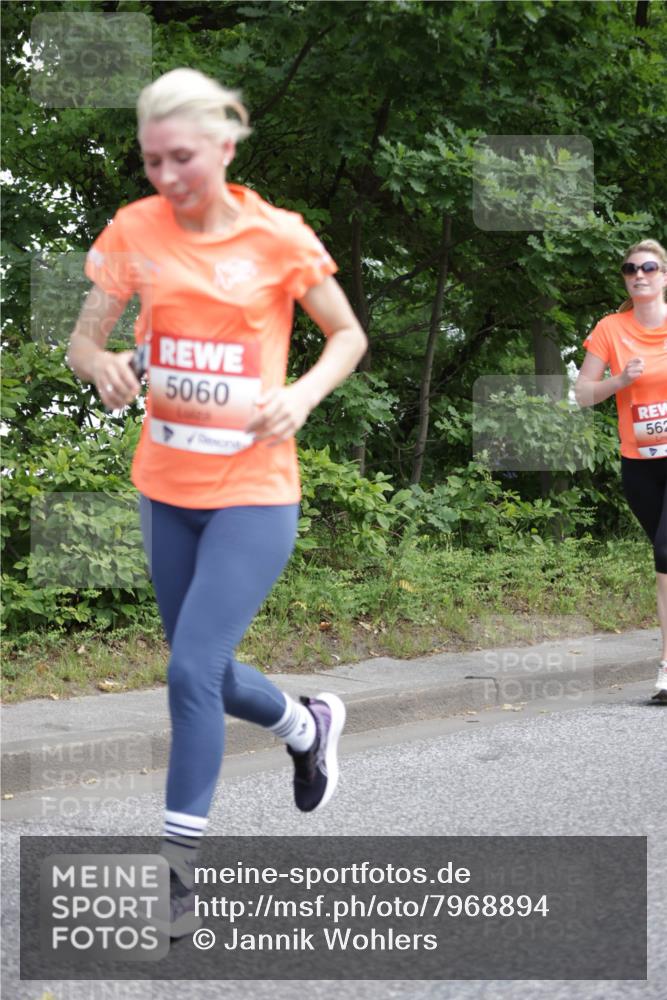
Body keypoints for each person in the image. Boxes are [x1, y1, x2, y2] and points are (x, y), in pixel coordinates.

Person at [67, 67, 368, 936]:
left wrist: (303, 395)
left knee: (190, 672)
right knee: (204, 667)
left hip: (254, 490)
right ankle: (307, 727)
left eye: (184, 159)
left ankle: (175, 877)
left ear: (227, 145)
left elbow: (345, 334)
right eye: (153, 160)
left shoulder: (279, 238)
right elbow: (86, 338)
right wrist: (105, 367)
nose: (167, 177)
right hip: (165, 489)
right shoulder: (134, 229)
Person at [575, 238, 667, 703]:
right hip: (640, 466)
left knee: (666, 556)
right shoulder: (611, 329)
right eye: (630, 269)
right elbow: (582, 394)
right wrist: (620, 381)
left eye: (649, 267)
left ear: (664, 275)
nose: (639, 275)